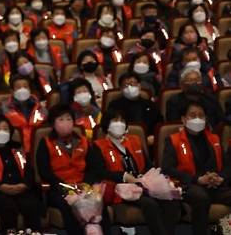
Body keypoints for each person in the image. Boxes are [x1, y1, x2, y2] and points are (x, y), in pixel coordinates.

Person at [87, 110, 180, 235]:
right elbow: (101, 172)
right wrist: (124, 177)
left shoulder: (134, 141)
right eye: (115, 121)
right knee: (149, 204)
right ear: (106, 125)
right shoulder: (98, 146)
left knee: (171, 199)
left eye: (122, 121)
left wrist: (148, 180)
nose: (119, 124)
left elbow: (148, 166)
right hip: (119, 188)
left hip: (143, 184)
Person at [37, 104, 109, 235]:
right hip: (59, 188)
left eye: (69, 119)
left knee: (99, 202)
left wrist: (85, 185)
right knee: (71, 206)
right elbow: (45, 172)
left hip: (83, 186)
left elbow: (93, 168)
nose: (66, 123)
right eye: (61, 119)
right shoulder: (45, 143)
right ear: (53, 123)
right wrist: (67, 188)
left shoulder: (83, 141)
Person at [162, 101, 231, 235]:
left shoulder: (214, 138)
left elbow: (227, 164)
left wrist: (221, 178)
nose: (197, 119)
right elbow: (167, 168)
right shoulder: (173, 140)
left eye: (201, 116)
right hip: (189, 184)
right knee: (201, 198)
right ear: (183, 119)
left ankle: (221, 230)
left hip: (215, 184)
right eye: (193, 115)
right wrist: (198, 179)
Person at [0, 115, 43, 233]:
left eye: (5, 129)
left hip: (21, 189)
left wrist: (24, 185)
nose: (2, 132)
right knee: (7, 205)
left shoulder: (17, 148)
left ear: (10, 132)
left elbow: (28, 170)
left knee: (31, 203)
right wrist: (1, 186)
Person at [108, 72, 162, 144]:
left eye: (133, 84)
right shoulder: (115, 105)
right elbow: (109, 125)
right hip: (122, 141)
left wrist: (154, 136)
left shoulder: (150, 105)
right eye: (126, 85)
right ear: (121, 89)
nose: (130, 87)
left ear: (139, 86)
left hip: (149, 142)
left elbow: (159, 124)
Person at [0, 75, 47, 153]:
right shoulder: (4, 108)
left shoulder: (40, 107)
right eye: (18, 87)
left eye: (25, 87)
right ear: (12, 91)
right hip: (15, 150)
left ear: (30, 90)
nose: (22, 89)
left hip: (38, 149)